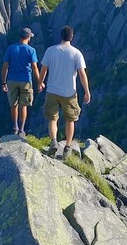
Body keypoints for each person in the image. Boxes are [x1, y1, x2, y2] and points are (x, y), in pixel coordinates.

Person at [38, 25, 91, 156]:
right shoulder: (76, 53)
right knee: (70, 120)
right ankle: (67, 147)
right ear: (71, 37)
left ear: (60, 36)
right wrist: (87, 91)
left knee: (52, 118)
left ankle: (54, 142)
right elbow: (82, 74)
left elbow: (43, 70)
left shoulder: (50, 51)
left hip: (52, 90)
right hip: (69, 92)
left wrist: (40, 83)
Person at [1, 27, 40, 138]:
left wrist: (4, 82)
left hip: (11, 80)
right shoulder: (31, 50)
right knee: (24, 105)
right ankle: (22, 130)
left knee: (13, 105)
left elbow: (5, 67)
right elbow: (34, 67)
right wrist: (40, 81)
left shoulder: (10, 49)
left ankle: (15, 127)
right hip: (26, 80)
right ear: (28, 37)